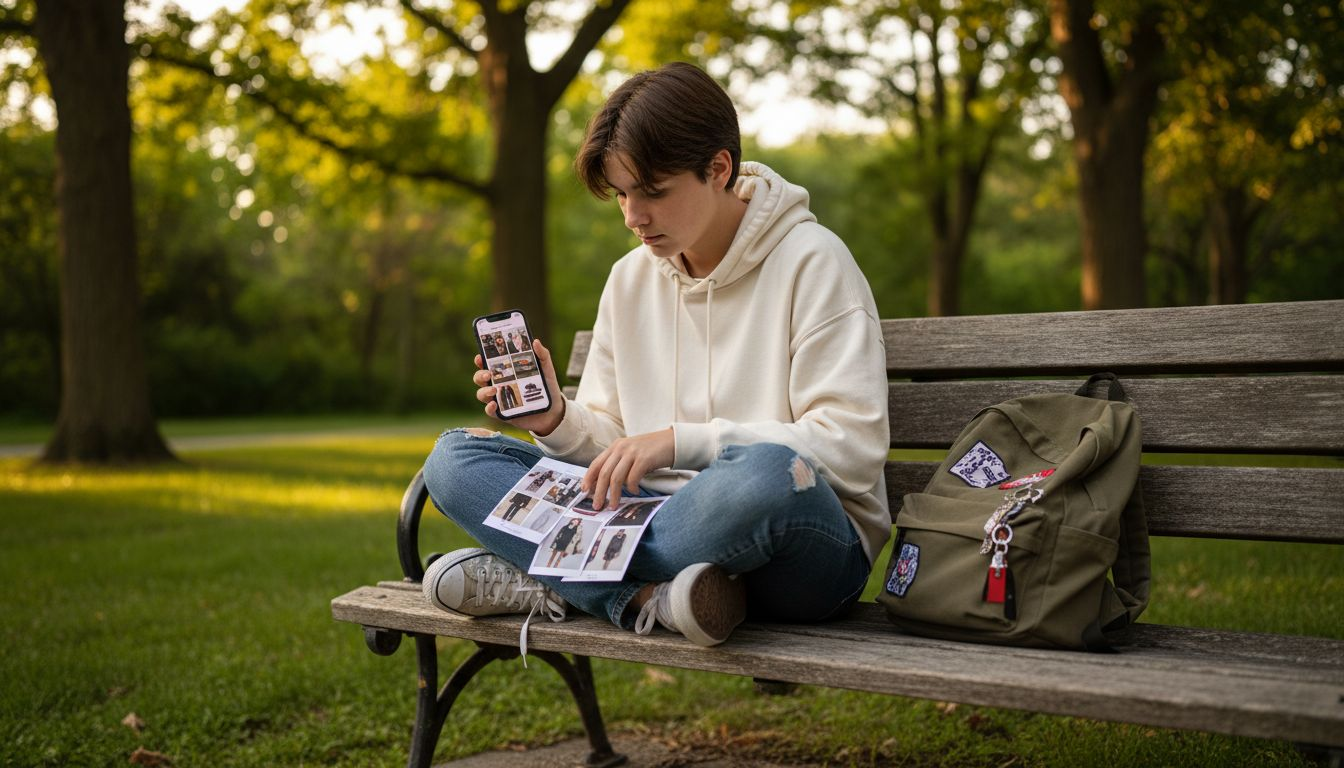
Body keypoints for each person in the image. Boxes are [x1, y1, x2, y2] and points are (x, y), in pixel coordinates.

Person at [421, 61, 889, 647]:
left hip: (796, 543)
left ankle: (563, 580)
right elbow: (609, 447)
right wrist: (556, 421)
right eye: (620, 195)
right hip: (645, 517)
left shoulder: (814, 261)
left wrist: (678, 440)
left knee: (765, 473)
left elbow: (853, 447)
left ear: (719, 168)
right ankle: (644, 597)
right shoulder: (628, 280)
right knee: (454, 461)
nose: (633, 217)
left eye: (653, 193)